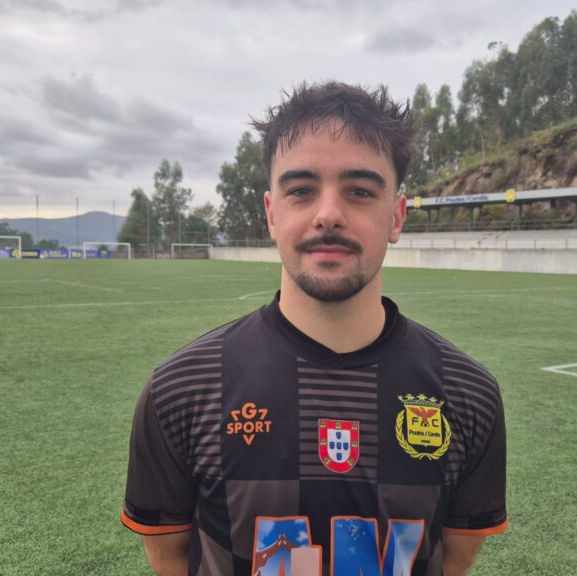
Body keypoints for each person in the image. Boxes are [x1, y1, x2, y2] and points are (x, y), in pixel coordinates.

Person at [122, 81, 506, 576]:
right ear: (271, 214)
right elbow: (172, 557)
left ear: (396, 217)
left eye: (359, 191)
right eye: (302, 190)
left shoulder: (467, 393)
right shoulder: (181, 389)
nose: (328, 215)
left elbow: (453, 559)